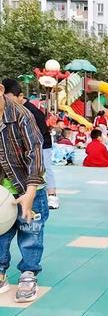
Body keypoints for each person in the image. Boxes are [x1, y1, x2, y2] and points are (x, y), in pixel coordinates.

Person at [0, 82, 48, 303]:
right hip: (4, 189)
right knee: (1, 232)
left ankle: (29, 273)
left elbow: (35, 152)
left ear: (1, 90)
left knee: (30, 230)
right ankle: (0, 271)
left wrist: (30, 192)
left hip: (30, 184)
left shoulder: (22, 115)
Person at [1, 78, 59, 210]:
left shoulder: (27, 113)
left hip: (42, 145)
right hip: (6, 189)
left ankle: (52, 194)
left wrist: (31, 190)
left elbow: (35, 146)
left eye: (9, 98)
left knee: (45, 167)